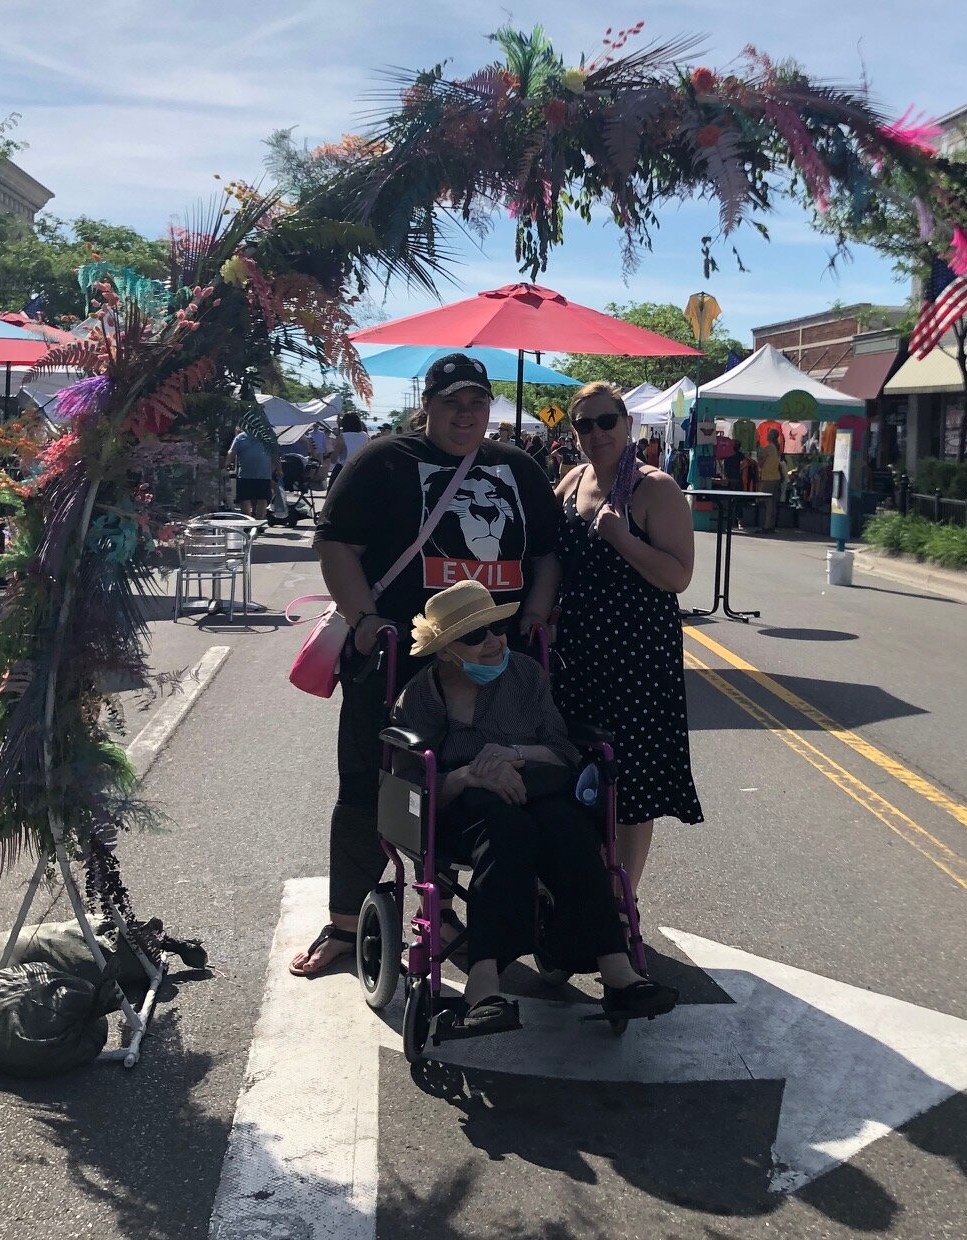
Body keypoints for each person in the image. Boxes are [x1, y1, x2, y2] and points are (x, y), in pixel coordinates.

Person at [292, 353, 562, 978]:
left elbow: (547, 553)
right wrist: (364, 620)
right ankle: (345, 925)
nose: (465, 416)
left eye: (476, 404)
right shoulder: (385, 462)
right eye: (452, 403)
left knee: (475, 783)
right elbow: (337, 546)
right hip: (395, 661)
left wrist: (538, 615)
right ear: (428, 406)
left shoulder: (516, 469)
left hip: (496, 665)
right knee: (371, 785)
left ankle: (449, 915)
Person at [396, 581, 678, 1035]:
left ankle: (617, 971)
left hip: (539, 794)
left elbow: (562, 749)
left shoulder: (525, 675)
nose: (493, 641)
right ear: (447, 650)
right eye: (475, 635)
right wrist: (469, 774)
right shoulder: (420, 697)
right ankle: (483, 985)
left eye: (497, 628)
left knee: (569, 829)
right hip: (463, 814)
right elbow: (408, 781)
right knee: (508, 832)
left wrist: (511, 753)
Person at [552, 381, 700, 896]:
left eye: (606, 421)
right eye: (584, 424)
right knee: (577, 769)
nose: (596, 433)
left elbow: (678, 576)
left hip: (638, 658)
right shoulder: (572, 482)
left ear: (627, 424)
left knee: (632, 783)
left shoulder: (654, 488)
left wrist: (622, 538)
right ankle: (579, 885)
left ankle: (621, 899)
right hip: (575, 655)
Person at [226, 426, 276, 521]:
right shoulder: (240, 437)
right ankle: (248, 522)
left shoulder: (268, 438)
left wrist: (278, 469)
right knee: (244, 499)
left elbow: (275, 454)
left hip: (264, 475)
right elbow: (232, 451)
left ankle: (258, 522)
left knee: (262, 499)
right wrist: (228, 463)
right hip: (245, 475)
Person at [754, 433, 782, 532]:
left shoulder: (769, 448)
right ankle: (771, 525)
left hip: (768, 478)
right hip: (776, 477)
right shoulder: (776, 448)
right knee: (773, 503)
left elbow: (761, 463)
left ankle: (767, 526)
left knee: (768, 503)